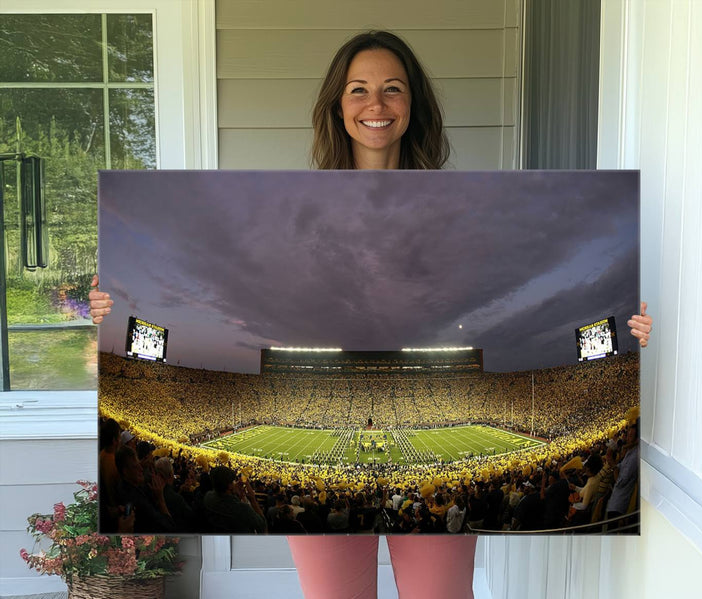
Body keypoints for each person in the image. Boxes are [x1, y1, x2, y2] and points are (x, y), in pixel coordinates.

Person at [90, 30, 653, 599]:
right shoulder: (296, 212)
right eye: (358, 90)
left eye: (393, 89)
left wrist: (634, 328)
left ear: (413, 105)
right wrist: (108, 300)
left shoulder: (461, 208)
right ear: (338, 104)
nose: (376, 105)